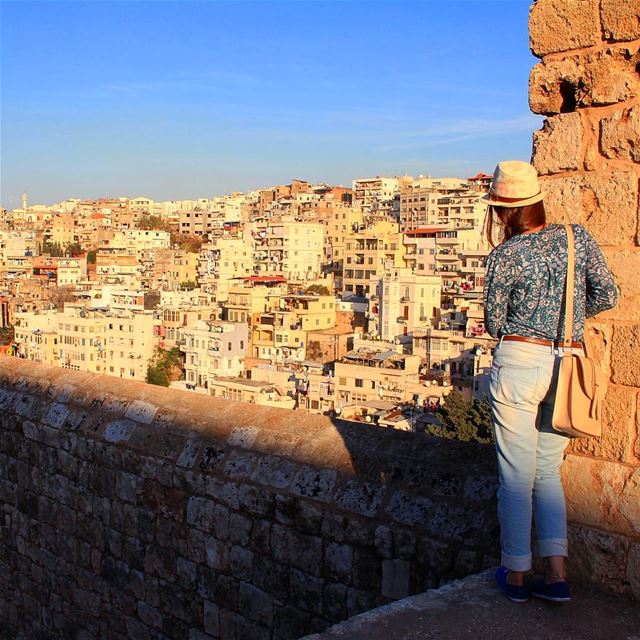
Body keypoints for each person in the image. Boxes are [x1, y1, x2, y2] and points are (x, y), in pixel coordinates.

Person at [482, 161, 618, 603]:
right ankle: (558, 574)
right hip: (568, 359)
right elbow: (608, 295)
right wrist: (568, 322)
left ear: (504, 209)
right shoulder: (577, 239)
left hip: (520, 360)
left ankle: (516, 573)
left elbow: (493, 321)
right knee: (547, 471)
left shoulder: (506, 255)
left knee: (516, 476)